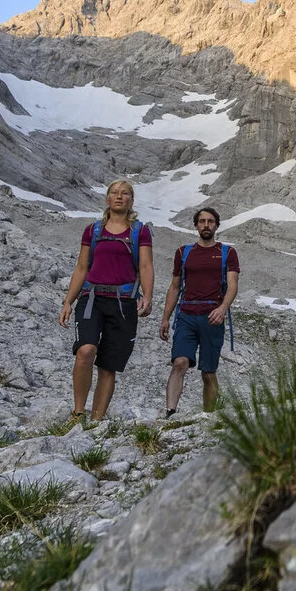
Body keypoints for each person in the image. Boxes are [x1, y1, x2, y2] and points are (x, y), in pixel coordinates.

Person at [59, 181, 152, 423]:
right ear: (107, 199)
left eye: (125, 193)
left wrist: (148, 295)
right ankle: (78, 413)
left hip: (124, 303)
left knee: (108, 365)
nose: (119, 197)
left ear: (131, 200)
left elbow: (145, 265)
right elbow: (82, 267)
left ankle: (97, 422)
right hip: (92, 298)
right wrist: (68, 301)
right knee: (86, 350)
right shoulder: (93, 230)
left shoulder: (140, 231)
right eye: (114, 193)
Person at [158, 206, 239, 417]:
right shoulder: (183, 253)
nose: (206, 225)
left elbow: (232, 285)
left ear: (216, 225)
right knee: (179, 362)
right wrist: (165, 318)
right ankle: (170, 412)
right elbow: (175, 286)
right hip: (186, 314)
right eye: (202, 221)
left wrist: (222, 309)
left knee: (208, 372)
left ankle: (208, 416)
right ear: (196, 225)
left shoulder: (227, 252)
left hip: (213, 316)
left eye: (210, 221)